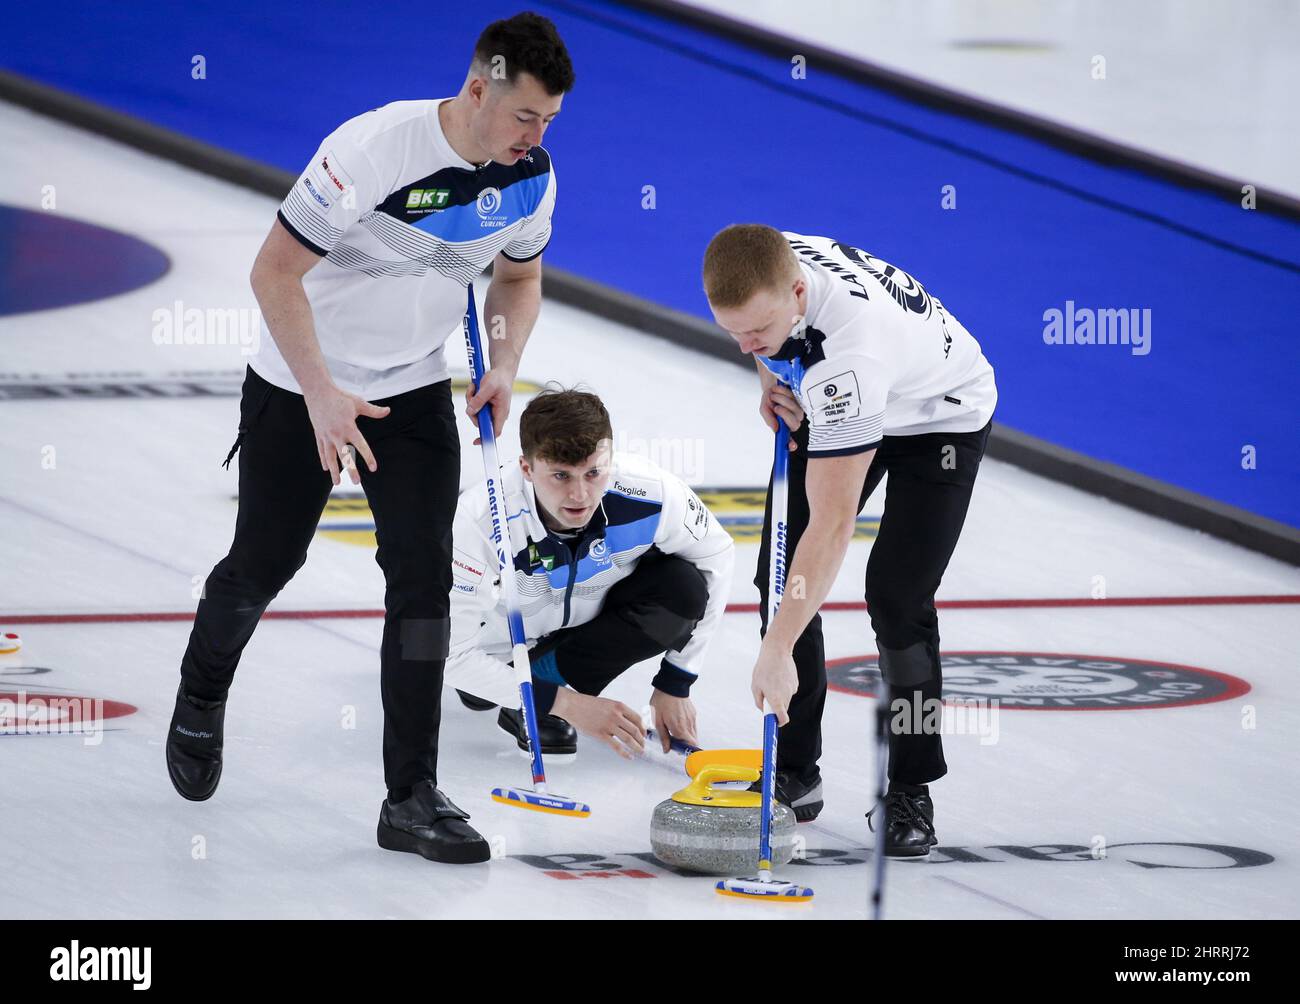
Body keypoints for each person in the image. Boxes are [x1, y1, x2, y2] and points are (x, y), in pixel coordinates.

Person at [165, 12, 574, 865]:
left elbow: (520, 278)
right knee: (266, 563)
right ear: (477, 90)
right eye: (524, 116)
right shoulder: (370, 151)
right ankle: (202, 693)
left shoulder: (530, 177)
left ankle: (410, 797)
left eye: (549, 122)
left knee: (422, 585)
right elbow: (272, 272)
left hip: (413, 386)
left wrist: (503, 362)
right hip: (301, 381)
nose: (535, 138)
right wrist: (320, 394)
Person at [702, 225, 997, 857]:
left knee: (897, 597)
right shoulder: (768, 262)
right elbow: (770, 335)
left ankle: (912, 786)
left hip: (939, 415)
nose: (748, 344)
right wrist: (771, 376)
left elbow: (831, 527)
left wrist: (777, 649)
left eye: (759, 331)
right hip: (853, 392)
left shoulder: (849, 361)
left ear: (799, 294)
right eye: (736, 334)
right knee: (780, 578)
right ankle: (796, 771)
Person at [446, 388, 734, 758]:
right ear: (526, 468)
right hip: (502, 649)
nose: (580, 495)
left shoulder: (650, 493)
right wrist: (569, 705)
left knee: (683, 589)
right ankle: (536, 689)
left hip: (590, 618)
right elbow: (451, 658)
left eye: (594, 473)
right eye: (561, 476)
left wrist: (677, 680)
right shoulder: (479, 520)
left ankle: (547, 681)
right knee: (476, 692)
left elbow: (717, 556)